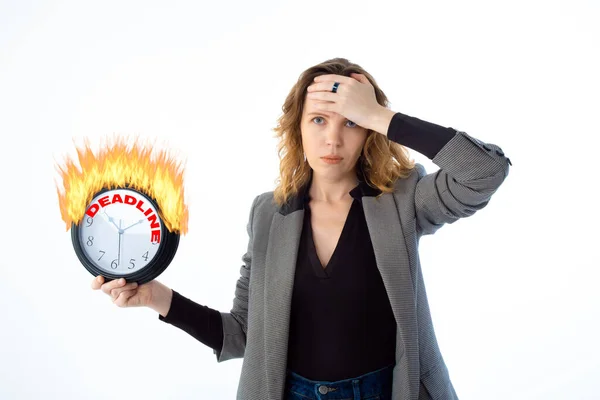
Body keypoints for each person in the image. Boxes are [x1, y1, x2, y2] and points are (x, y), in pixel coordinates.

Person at [92, 57, 512, 400]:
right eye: (318, 121)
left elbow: (485, 171)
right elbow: (242, 334)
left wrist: (383, 115)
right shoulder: (268, 215)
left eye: (350, 122)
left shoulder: (404, 200)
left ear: (370, 132)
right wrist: (154, 297)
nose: (332, 139)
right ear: (297, 128)